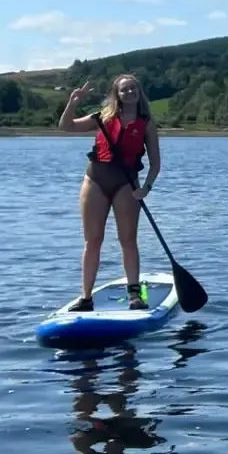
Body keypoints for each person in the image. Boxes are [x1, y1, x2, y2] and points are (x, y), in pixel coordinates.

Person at [59, 74, 162, 312]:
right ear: (117, 94)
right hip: (95, 181)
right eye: (124, 90)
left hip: (127, 185)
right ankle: (86, 298)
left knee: (128, 241)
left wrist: (146, 188)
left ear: (139, 92)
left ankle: (135, 296)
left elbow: (156, 163)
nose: (129, 92)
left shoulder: (145, 123)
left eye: (133, 88)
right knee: (92, 241)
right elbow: (66, 126)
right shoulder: (103, 117)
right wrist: (72, 102)